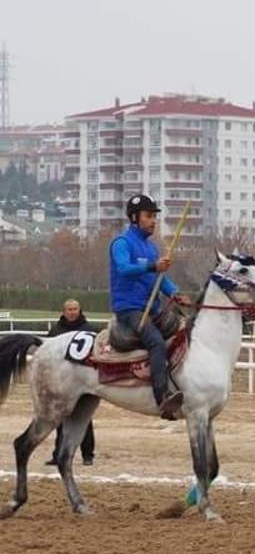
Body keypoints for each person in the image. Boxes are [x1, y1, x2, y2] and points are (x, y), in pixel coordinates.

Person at [110, 194, 190, 420]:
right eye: (149, 216)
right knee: (156, 342)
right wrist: (153, 266)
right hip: (129, 309)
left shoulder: (151, 247)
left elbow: (159, 279)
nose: (153, 220)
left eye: (155, 216)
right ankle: (162, 397)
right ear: (135, 218)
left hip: (152, 308)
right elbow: (124, 268)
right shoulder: (121, 244)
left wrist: (175, 293)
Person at [44, 299, 99, 466]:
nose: (72, 312)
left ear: (79, 310)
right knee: (60, 419)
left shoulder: (89, 331)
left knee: (84, 419)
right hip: (61, 383)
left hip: (83, 383)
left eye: (75, 309)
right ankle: (58, 454)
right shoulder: (55, 331)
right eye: (69, 309)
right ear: (64, 311)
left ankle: (87, 455)